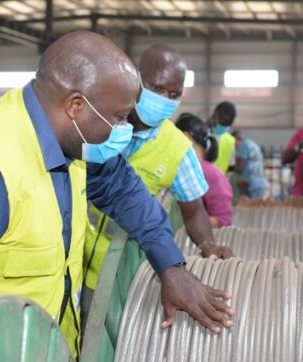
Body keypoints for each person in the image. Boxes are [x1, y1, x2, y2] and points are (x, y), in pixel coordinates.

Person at [0, 32, 235, 362]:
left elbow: (123, 188)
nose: (123, 129)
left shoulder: (72, 143)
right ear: (76, 106)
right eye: (118, 118)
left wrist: (171, 266)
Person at [83, 44, 233, 301]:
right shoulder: (98, 120)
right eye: (157, 88)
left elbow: (194, 209)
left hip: (116, 272)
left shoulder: (177, 148)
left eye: (173, 93)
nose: (164, 98)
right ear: (136, 78)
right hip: (67, 255)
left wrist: (207, 244)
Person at [175, 114, 232, 228]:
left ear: (186, 137)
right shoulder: (176, 169)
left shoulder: (212, 174)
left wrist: (181, 223)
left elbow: (222, 220)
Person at [233, 130, 268, 200]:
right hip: (259, 184)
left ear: (236, 139)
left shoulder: (243, 145)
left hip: (251, 185)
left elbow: (240, 167)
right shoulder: (251, 144)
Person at [209, 101, 237, 174]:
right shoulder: (203, 134)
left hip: (219, 182)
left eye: (227, 123)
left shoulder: (230, 140)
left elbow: (231, 166)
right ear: (215, 115)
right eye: (222, 121)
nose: (223, 125)